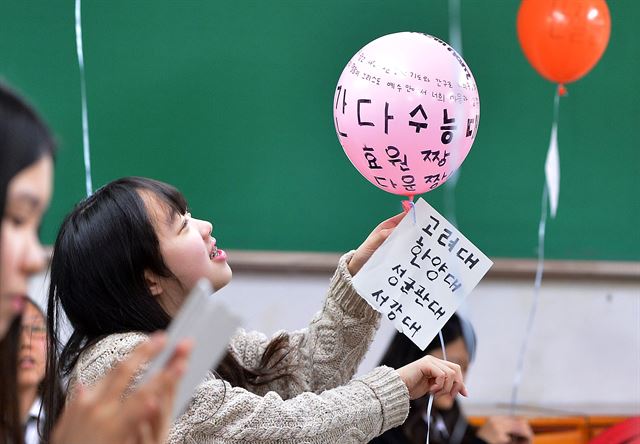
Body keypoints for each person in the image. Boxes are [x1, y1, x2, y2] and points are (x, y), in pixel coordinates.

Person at [44, 176, 468, 443]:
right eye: (182, 225)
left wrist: (361, 276)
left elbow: (302, 378)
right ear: (148, 278)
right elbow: (275, 431)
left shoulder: (191, 337)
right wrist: (393, 387)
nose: (205, 226)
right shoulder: (124, 362)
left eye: (190, 214)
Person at [0, 82, 191, 444]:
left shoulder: (211, 337)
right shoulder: (121, 357)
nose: (33, 259)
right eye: (16, 219)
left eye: (36, 227)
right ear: (147, 275)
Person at [371, 314, 533, 444]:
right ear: (414, 360)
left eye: (465, 367)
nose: (459, 377)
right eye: (452, 364)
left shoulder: (454, 426)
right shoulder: (379, 426)